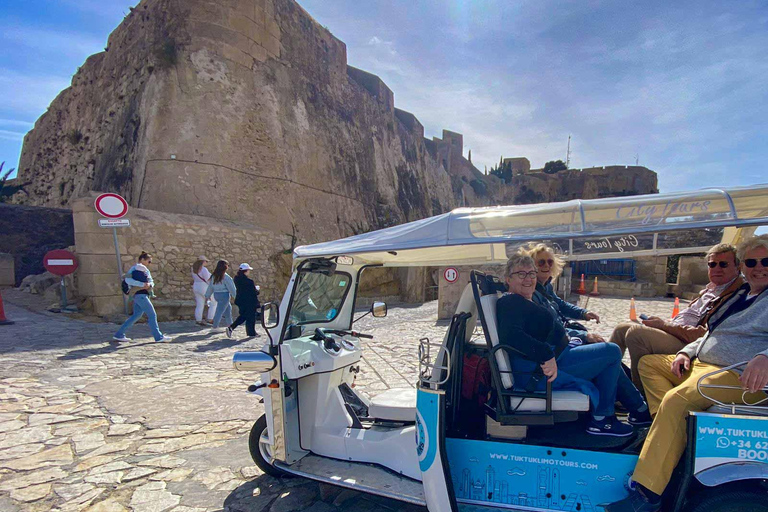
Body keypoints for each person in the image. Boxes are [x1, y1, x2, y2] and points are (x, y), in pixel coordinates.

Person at [605, 235, 768, 512]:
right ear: (744, 265)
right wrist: (686, 352)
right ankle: (666, 431)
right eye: (752, 261)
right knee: (649, 365)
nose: (759, 267)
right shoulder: (743, 295)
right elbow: (711, 334)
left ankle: (647, 493)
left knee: (677, 400)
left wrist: (765, 357)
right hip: (705, 364)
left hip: (740, 376)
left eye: (766, 261)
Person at [497, 253, 649, 437]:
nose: (528, 278)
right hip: (539, 373)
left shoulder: (524, 300)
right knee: (611, 351)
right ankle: (605, 419)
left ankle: (634, 410)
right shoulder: (509, 302)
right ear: (508, 279)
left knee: (607, 357)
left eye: (531, 274)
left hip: (556, 358)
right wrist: (546, 355)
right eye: (521, 274)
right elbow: (511, 335)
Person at [609, 243, 744, 392]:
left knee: (636, 334)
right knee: (621, 328)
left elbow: (704, 335)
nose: (716, 269)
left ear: (738, 267)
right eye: (712, 264)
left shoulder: (736, 295)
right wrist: (664, 323)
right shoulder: (711, 289)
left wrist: (664, 326)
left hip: (691, 344)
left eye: (723, 264)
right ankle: (608, 387)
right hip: (676, 332)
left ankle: (639, 397)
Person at [525, 243, 602, 343]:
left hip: (565, 336)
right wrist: (583, 336)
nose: (547, 265)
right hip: (556, 346)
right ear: (531, 266)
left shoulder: (547, 287)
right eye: (541, 262)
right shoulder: (530, 292)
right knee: (612, 350)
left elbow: (561, 305)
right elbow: (550, 329)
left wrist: (583, 313)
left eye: (550, 262)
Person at [113, 252, 173, 343]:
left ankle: (119, 334)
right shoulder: (134, 269)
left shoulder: (145, 270)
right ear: (142, 260)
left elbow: (150, 280)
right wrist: (142, 285)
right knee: (152, 315)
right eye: (149, 261)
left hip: (141, 295)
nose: (150, 264)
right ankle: (158, 337)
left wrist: (150, 285)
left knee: (136, 315)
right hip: (140, 295)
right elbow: (128, 280)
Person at [227, 263, 261, 338]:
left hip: (240, 300)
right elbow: (253, 292)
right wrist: (257, 290)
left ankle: (234, 328)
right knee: (250, 317)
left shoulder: (236, 279)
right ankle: (250, 332)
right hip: (249, 301)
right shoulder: (249, 282)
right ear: (246, 271)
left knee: (244, 316)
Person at [205, 260, 236, 330]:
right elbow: (231, 288)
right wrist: (235, 296)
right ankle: (215, 327)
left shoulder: (214, 276)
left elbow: (210, 286)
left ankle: (230, 325)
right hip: (224, 295)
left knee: (228, 309)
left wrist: (207, 295)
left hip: (216, 294)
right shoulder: (226, 277)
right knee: (219, 311)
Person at [191, 256, 217, 326]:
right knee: (214, 302)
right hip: (204, 287)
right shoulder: (204, 269)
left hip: (196, 285)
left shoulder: (193, 269)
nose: (207, 263)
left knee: (199, 304)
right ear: (203, 261)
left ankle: (198, 320)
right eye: (206, 261)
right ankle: (210, 319)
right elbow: (207, 280)